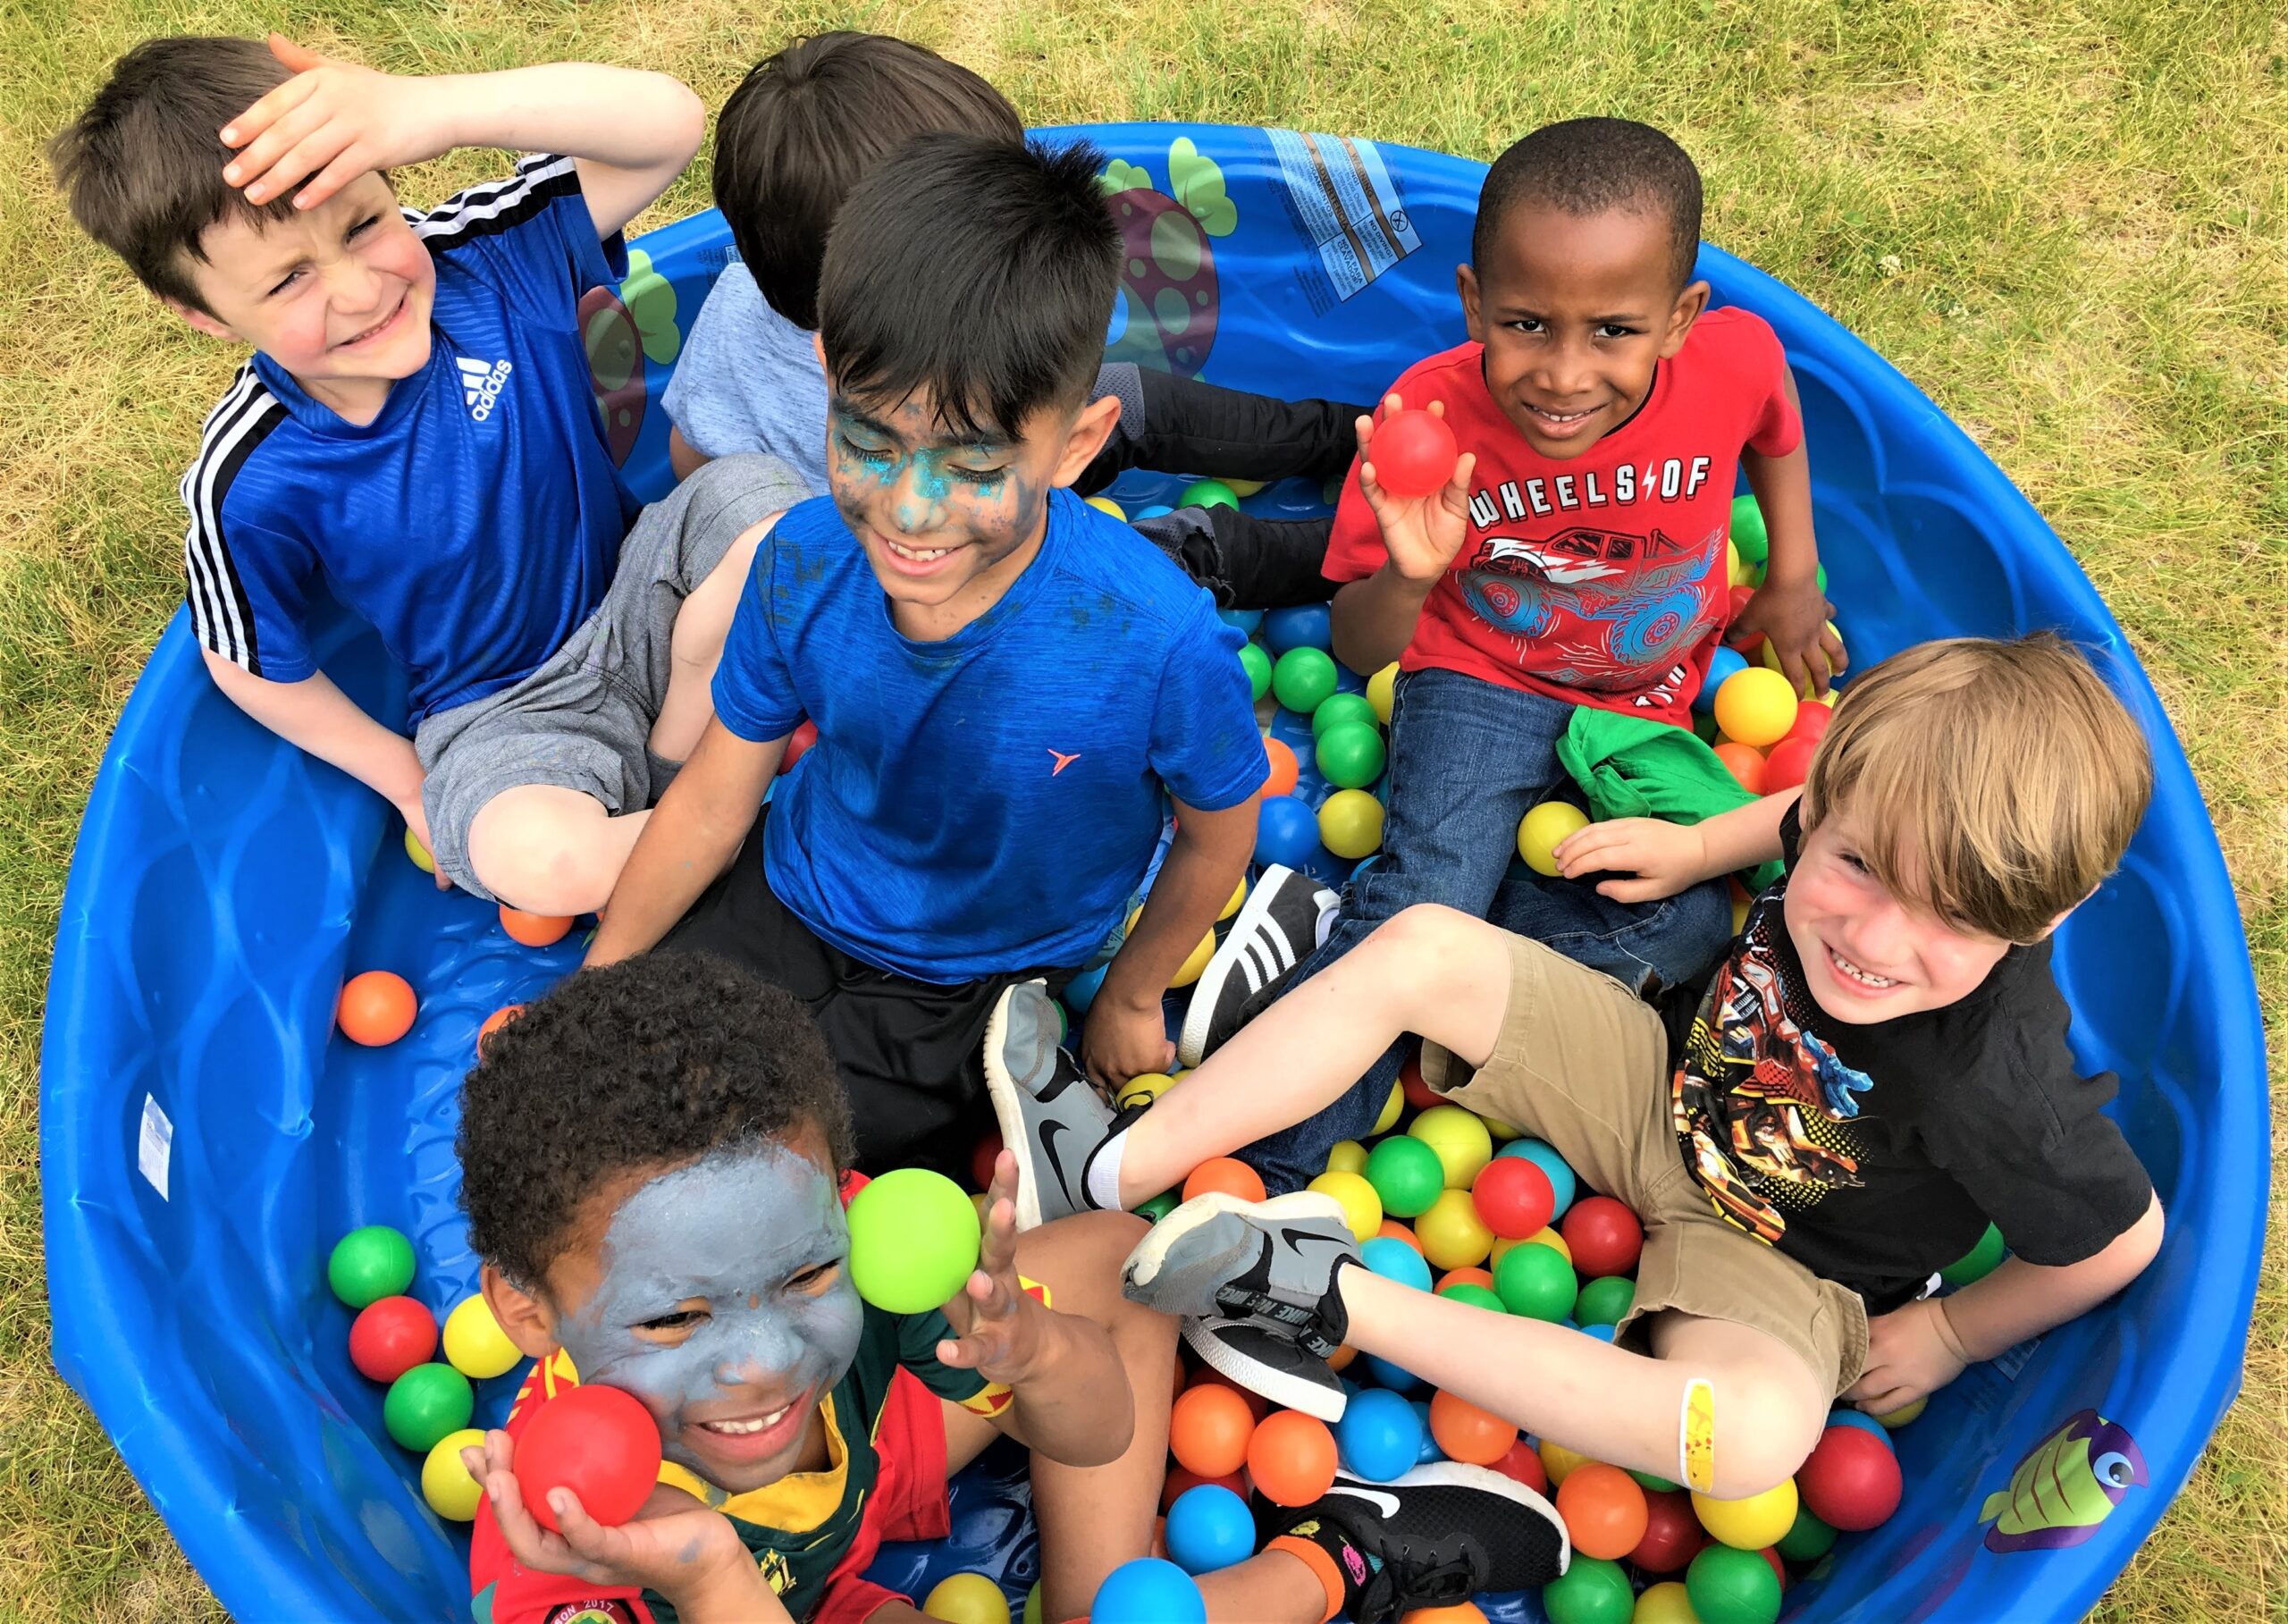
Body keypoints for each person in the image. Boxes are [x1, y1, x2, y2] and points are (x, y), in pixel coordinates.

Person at [992, 635, 2165, 1480]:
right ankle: (1109, 1160)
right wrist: (1699, 847)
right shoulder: (1863, 808)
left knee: (1753, 1439)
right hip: (1658, 1086)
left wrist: (1952, 1335)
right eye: (1858, 866)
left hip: (1783, 1264)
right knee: (1427, 943)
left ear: (2045, 920)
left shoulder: (1994, 1077)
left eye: (1946, 916)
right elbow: (1804, 810)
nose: (1872, 936)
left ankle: (1306, 1289)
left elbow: (2122, 1239)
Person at [458, 953, 1568, 1624]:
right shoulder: (560, 1548)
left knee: (1115, 1261)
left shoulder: (849, 1260)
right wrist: (710, 1579)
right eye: (673, 1317)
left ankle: (1102, 1593)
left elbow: (1092, 1430)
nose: (763, 1359)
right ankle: (1332, 1561)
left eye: (805, 1272)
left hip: (874, 1454)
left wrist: (1034, 1351)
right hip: (776, 1601)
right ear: (525, 1310)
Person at [1177, 119, 1849, 1190]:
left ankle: (1389, 969)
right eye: (1527, 324)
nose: (1564, 374)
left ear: (1679, 321)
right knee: (1428, 891)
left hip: (1645, 705)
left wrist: (1793, 577)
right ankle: (1261, 1171)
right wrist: (1409, 574)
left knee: (1684, 926)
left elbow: (1776, 420)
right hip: (1479, 679)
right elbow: (1355, 643)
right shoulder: (1428, 415)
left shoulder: (1731, 360)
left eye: (1613, 331)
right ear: (1473, 302)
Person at [584, 135, 1266, 1174]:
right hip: (795, 886)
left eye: (974, 466)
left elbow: (1218, 831)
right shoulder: (801, 561)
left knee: (802, 1167)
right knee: (630, 1081)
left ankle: (1032, 1097)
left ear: (1076, 446)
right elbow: (716, 799)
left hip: (982, 967)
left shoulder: (1154, 636)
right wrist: (600, 979)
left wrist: (1131, 994)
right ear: (826, 374)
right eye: (869, 441)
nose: (909, 511)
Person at [49, 35, 808, 914]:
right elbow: (242, 655)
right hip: (506, 716)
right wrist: (403, 776)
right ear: (203, 314)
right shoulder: (253, 471)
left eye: (364, 224)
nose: (360, 288)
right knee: (541, 860)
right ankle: (771, 823)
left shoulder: (489, 258)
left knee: (772, 513)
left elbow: (669, 126)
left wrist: (432, 110)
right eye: (290, 279)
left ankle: (684, 779)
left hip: (649, 589)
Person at [662, 30, 1354, 608]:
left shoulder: (739, 293)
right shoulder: (916, 384)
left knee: (1121, 402)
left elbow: (690, 456)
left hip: (969, 488)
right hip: (935, 593)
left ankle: (1342, 437)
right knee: (1160, 558)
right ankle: (1357, 549)